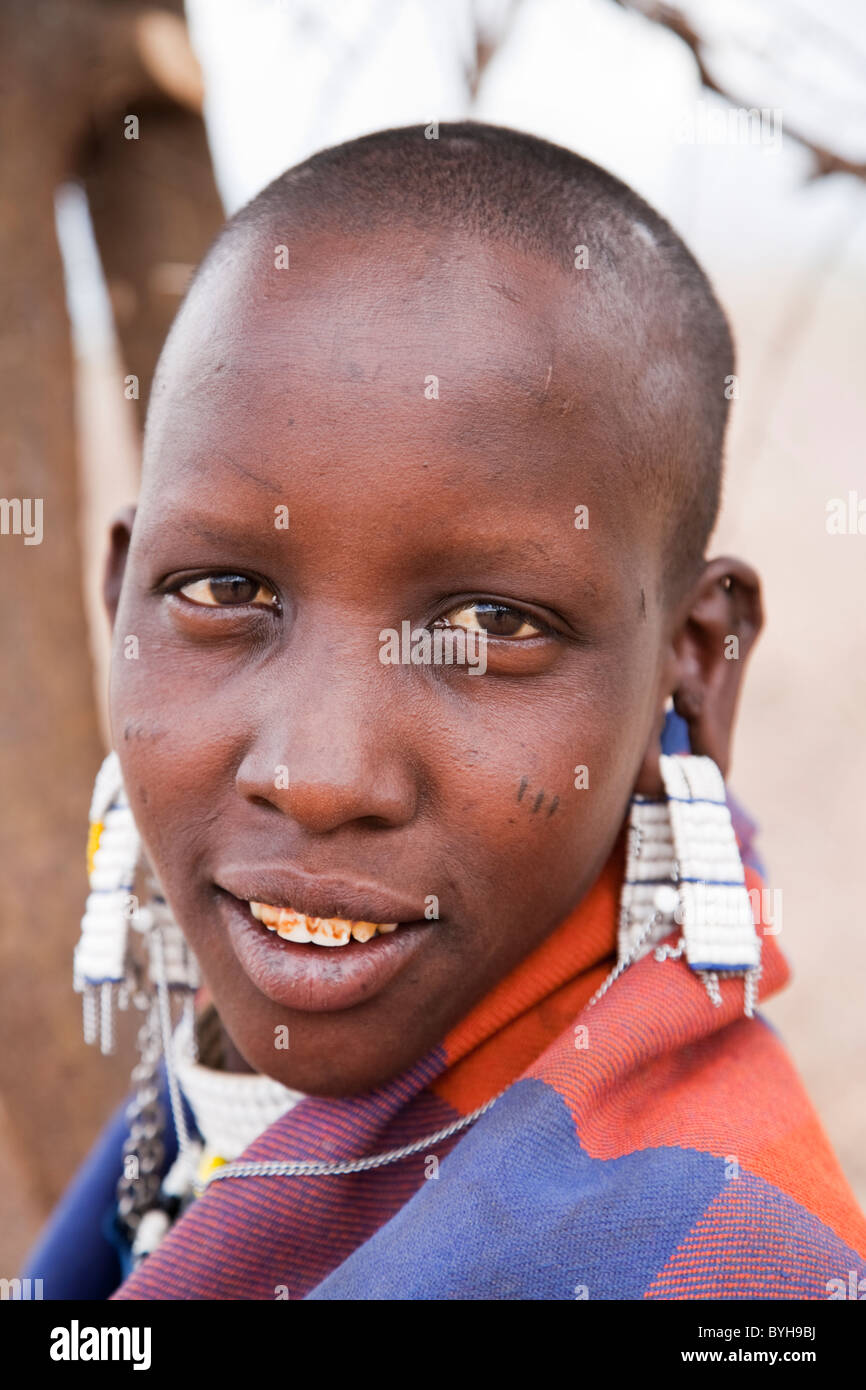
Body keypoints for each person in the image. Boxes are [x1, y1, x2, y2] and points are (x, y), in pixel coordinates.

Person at [24, 123, 866, 1300]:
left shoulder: (720, 1271)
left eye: (489, 628)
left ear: (694, 662)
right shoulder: (209, 1105)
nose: (315, 774)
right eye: (223, 591)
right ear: (121, 601)